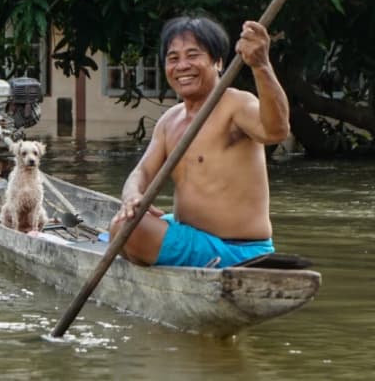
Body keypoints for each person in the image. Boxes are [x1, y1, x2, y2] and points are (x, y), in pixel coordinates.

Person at [109, 14, 290, 268]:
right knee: (120, 223)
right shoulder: (170, 120)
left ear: (217, 62)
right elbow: (143, 171)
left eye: (193, 55)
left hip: (238, 250)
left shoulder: (236, 104)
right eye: (173, 59)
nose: (182, 66)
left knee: (129, 229)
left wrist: (261, 66)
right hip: (192, 235)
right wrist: (131, 196)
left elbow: (276, 132)